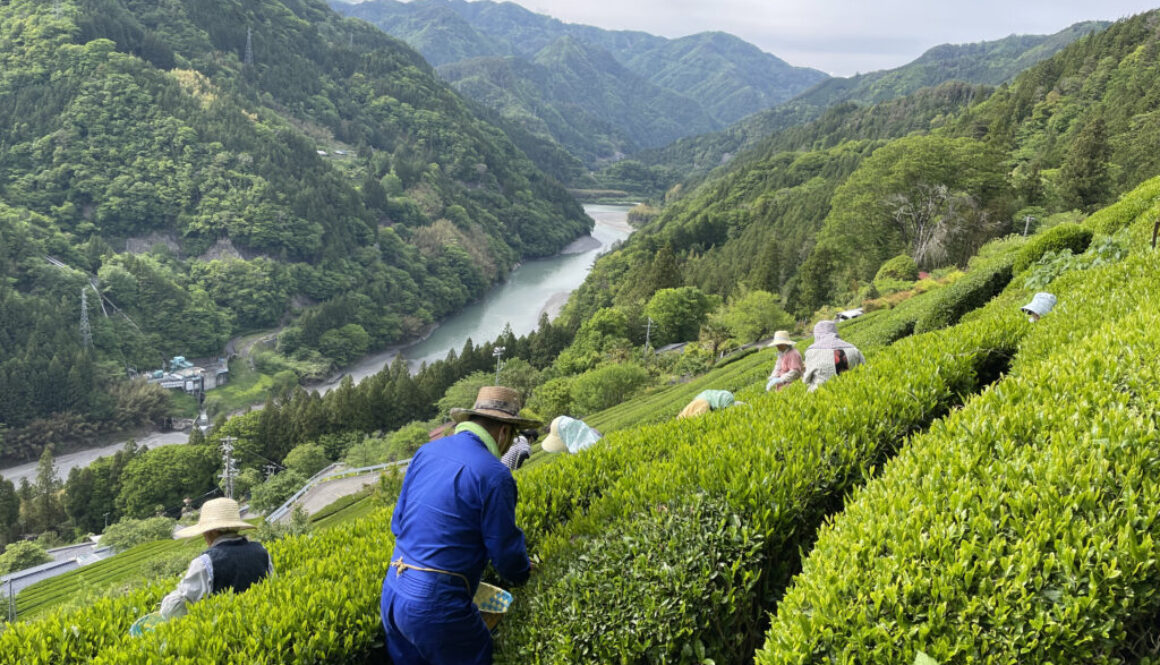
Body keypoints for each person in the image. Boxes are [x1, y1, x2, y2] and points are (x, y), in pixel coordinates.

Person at [381, 386, 540, 665]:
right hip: (435, 605)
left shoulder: (427, 452)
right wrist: (525, 574)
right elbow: (505, 553)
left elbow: (399, 523)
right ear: (504, 432)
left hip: (393, 591)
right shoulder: (495, 475)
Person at [159, 497, 273, 620]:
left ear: (212, 531)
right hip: (260, 623)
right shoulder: (261, 551)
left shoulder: (205, 563)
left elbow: (174, 609)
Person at [802, 320, 864, 392]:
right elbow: (863, 368)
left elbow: (806, 380)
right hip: (850, 392)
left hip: (820, 394)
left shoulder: (811, 351)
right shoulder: (853, 349)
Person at [677, 389, 742, 419]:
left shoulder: (729, 397)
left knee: (685, 416)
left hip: (702, 398)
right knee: (694, 419)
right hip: (704, 402)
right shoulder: (729, 402)